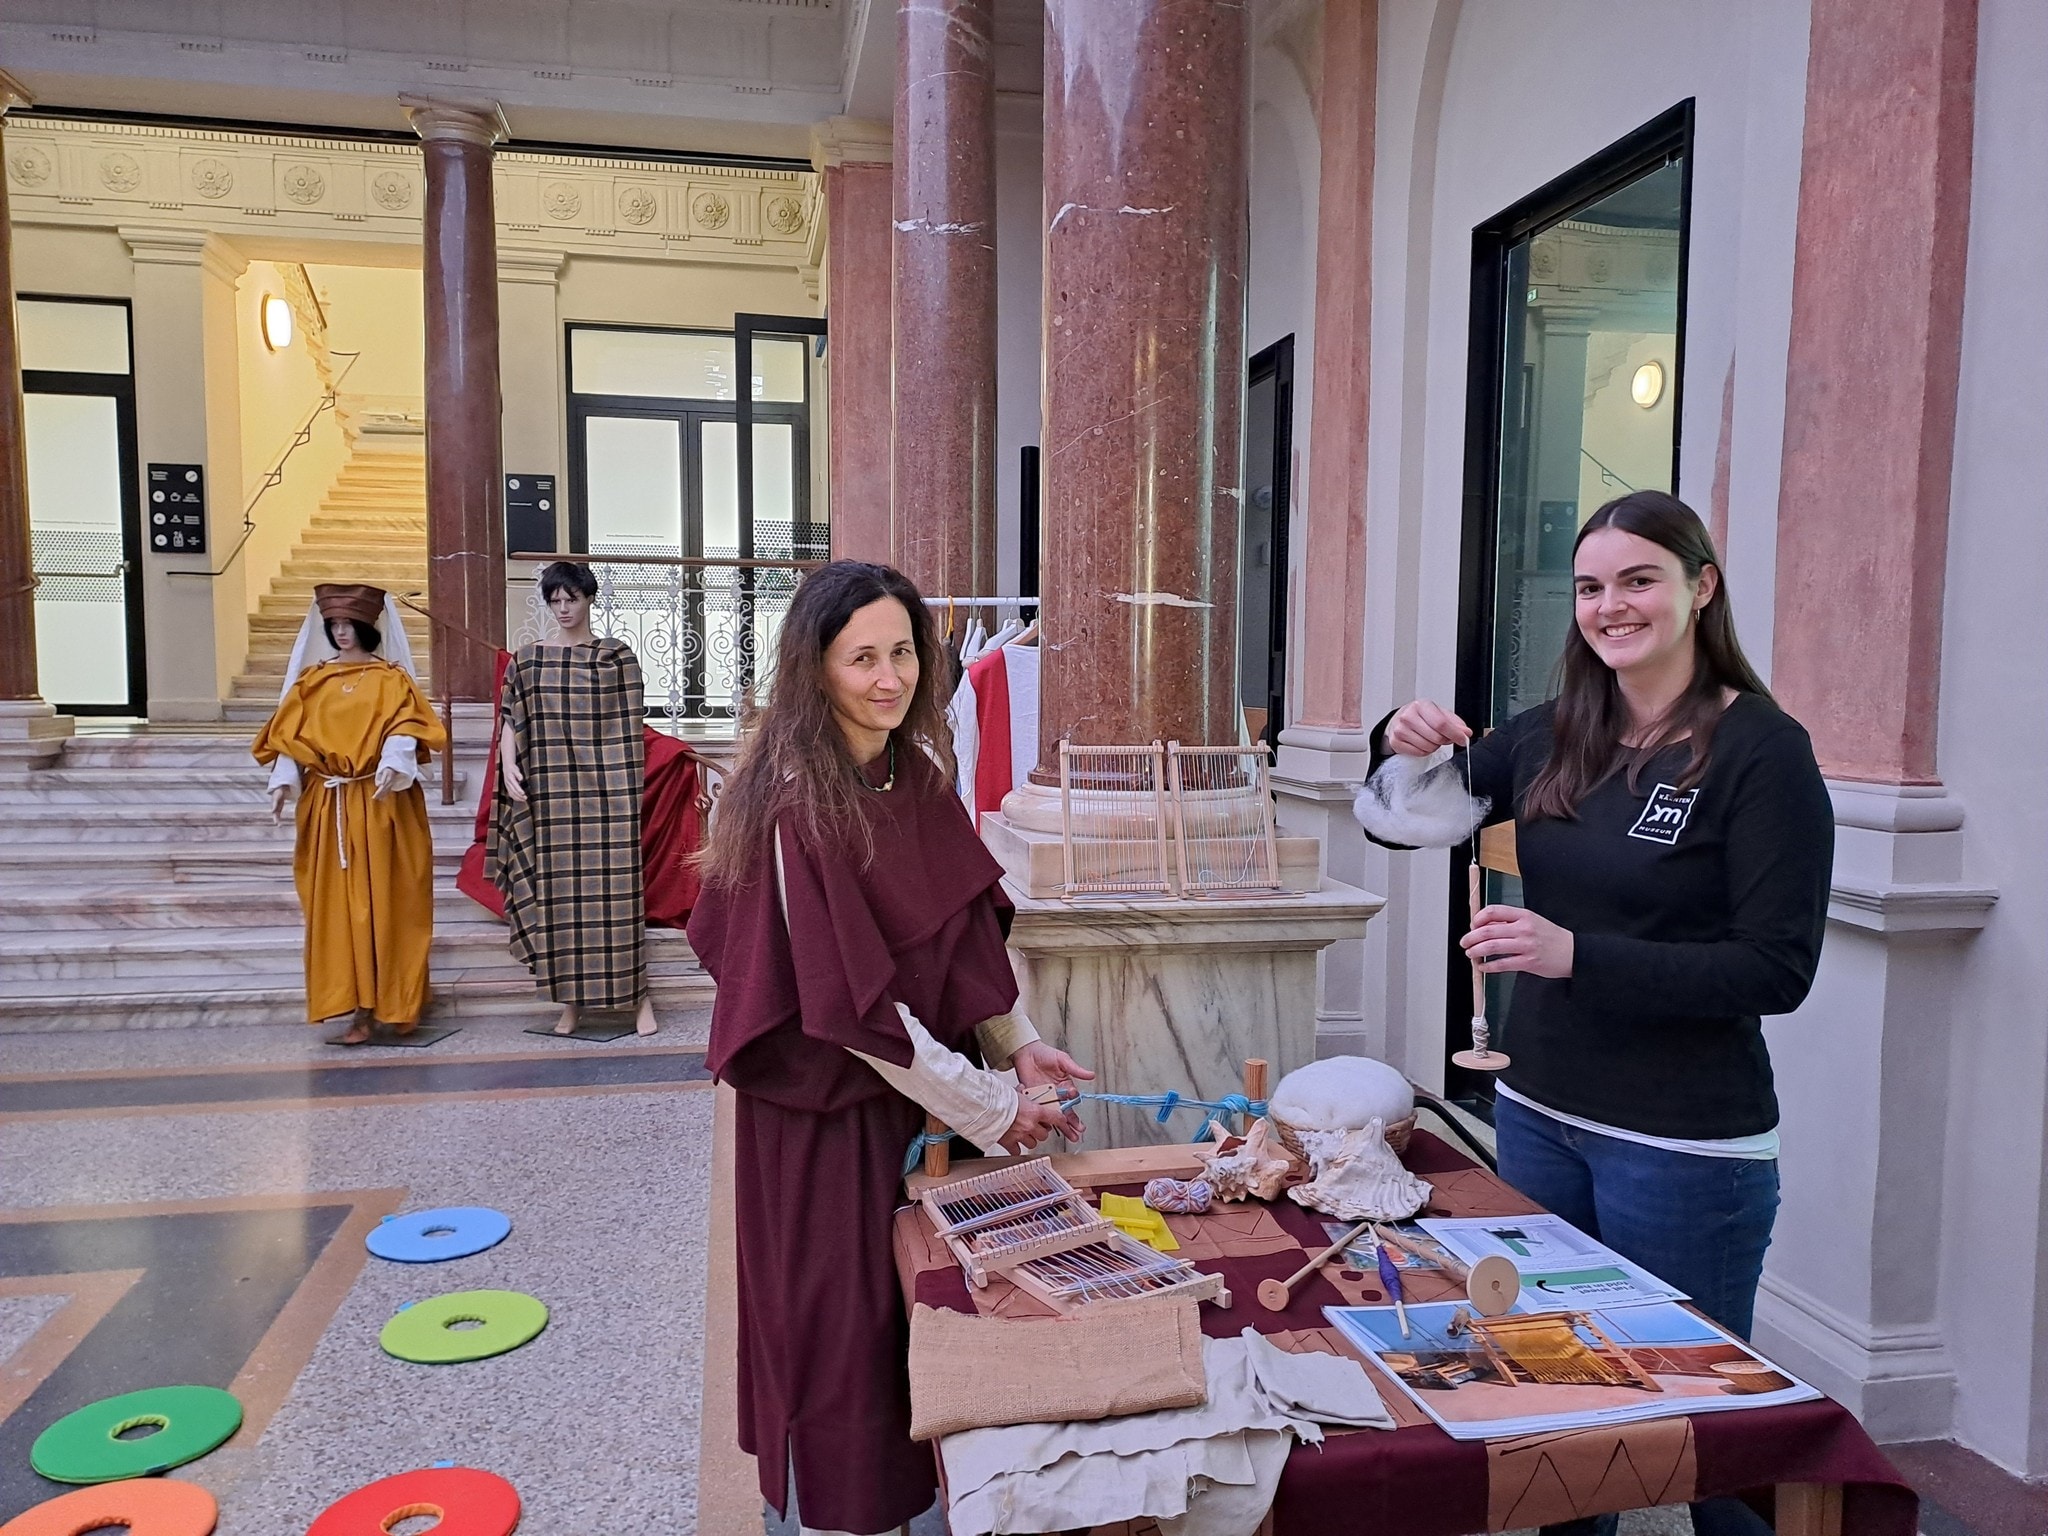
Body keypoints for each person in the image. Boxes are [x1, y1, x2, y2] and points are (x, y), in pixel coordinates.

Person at [1364, 492, 1833, 1536]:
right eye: (1589, 586)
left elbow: (1773, 970)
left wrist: (1577, 955)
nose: (1608, 605)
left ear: (1698, 588)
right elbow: (1407, 823)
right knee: (1563, 1412)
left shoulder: (1761, 751)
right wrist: (1400, 744)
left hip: (1680, 1146)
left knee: (1697, 1432)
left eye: (1637, 580)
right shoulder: (1556, 731)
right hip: (1537, 1116)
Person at [687, 561, 1093, 1536]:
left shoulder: (911, 776)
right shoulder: (790, 803)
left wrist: (1018, 1045)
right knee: (840, 1334)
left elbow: (957, 928)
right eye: (860, 657)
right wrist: (993, 1107)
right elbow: (855, 1016)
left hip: (924, 1101)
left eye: (902, 652)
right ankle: (832, 1516)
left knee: (932, 1317)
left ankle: (931, 1504)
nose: (887, 676)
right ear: (813, 669)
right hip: (827, 1120)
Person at [253, 583, 447, 1045]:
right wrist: (283, 781)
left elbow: (405, 728)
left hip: (383, 808)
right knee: (338, 912)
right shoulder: (311, 683)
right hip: (328, 809)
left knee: (391, 905)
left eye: (348, 624)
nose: (341, 633)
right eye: (334, 625)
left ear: (367, 626)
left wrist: (394, 763)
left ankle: (400, 1000)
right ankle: (356, 1009)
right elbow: (289, 739)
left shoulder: (392, 680)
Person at [487, 561, 659, 1036]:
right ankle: (571, 1003)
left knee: (616, 899)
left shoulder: (615, 657)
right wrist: (508, 764)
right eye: (555, 601)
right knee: (562, 899)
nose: (563, 608)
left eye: (572, 599)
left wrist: (623, 789)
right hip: (551, 794)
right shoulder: (528, 660)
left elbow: (627, 731)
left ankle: (638, 997)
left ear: (588, 599)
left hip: (607, 797)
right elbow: (508, 718)